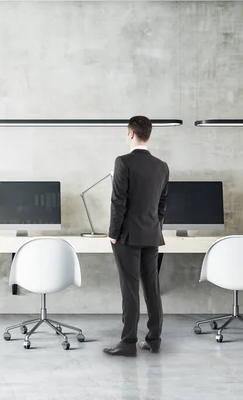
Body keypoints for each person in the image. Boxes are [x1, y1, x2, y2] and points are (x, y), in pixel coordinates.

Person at [103, 115, 169, 357]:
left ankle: (128, 343)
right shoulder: (162, 166)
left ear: (131, 133)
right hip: (152, 234)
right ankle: (154, 340)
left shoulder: (123, 162)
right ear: (148, 134)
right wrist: (155, 226)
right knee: (151, 287)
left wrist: (113, 233)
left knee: (130, 289)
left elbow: (118, 201)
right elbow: (162, 203)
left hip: (127, 236)